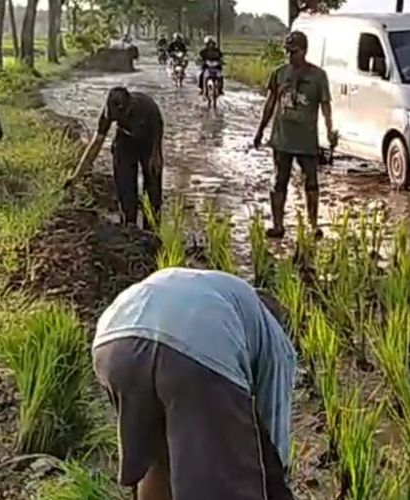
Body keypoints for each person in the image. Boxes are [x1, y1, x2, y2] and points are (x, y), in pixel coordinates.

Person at [92, 267, 296, 500]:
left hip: (113, 342)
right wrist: (276, 478)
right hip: (194, 345)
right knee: (227, 477)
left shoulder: (222, 292)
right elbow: (272, 419)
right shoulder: (275, 338)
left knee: (158, 456)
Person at [253, 30, 335, 240]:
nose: (291, 56)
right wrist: (260, 130)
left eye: (295, 52)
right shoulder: (280, 73)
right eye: (288, 52)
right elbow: (270, 104)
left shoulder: (318, 76)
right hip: (282, 139)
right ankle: (278, 225)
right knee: (279, 181)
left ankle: (313, 225)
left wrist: (329, 130)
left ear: (304, 51)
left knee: (311, 183)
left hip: (306, 140)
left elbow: (325, 106)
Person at [65, 87, 164, 229]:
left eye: (121, 116)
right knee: (125, 190)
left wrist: (157, 154)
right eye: (115, 117)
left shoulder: (146, 107)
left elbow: (159, 129)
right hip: (124, 142)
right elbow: (96, 144)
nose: (118, 119)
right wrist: (76, 176)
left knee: (153, 191)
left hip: (149, 142)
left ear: (129, 107)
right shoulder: (108, 113)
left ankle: (152, 231)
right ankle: (129, 227)